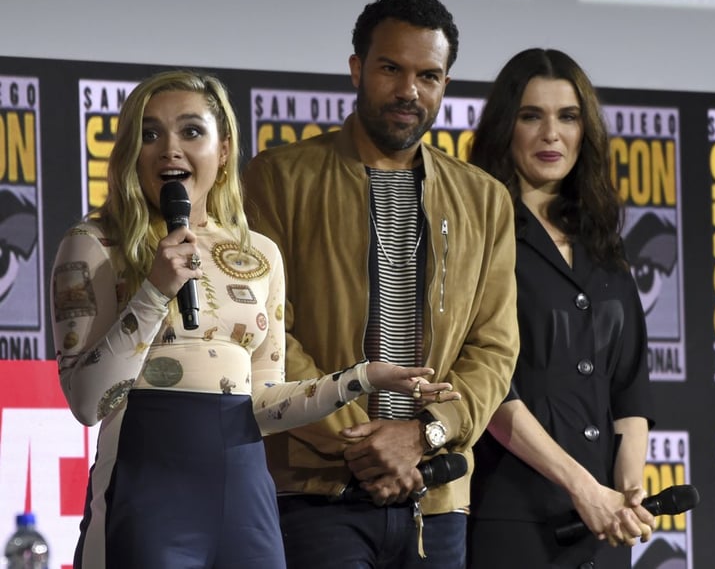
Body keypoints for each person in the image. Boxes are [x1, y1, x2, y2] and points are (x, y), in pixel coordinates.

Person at [49, 70, 457, 569]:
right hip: (145, 495)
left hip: (246, 502)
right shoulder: (93, 243)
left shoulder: (258, 253)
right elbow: (89, 402)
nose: (170, 149)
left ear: (222, 151)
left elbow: (263, 404)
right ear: (131, 150)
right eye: (150, 133)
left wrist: (362, 378)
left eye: (191, 131)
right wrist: (155, 290)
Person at [242, 0, 518, 569]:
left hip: (435, 501)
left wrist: (420, 437)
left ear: (446, 84)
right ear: (356, 70)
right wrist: (367, 443)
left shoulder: (486, 201)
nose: (408, 91)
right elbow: (265, 336)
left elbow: (493, 348)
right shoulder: (278, 180)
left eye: (428, 75)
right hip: (314, 495)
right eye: (391, 68)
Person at [466, 48, 656, 569]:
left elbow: (630, 387)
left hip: (604, 522)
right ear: (506, 127)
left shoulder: (602, 244)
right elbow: (487, 388)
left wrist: (628, 488)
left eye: (568, 117)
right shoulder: (480, 235)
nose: (552, 134)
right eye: (532, 116)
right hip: (512, 509)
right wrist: (581, 485)